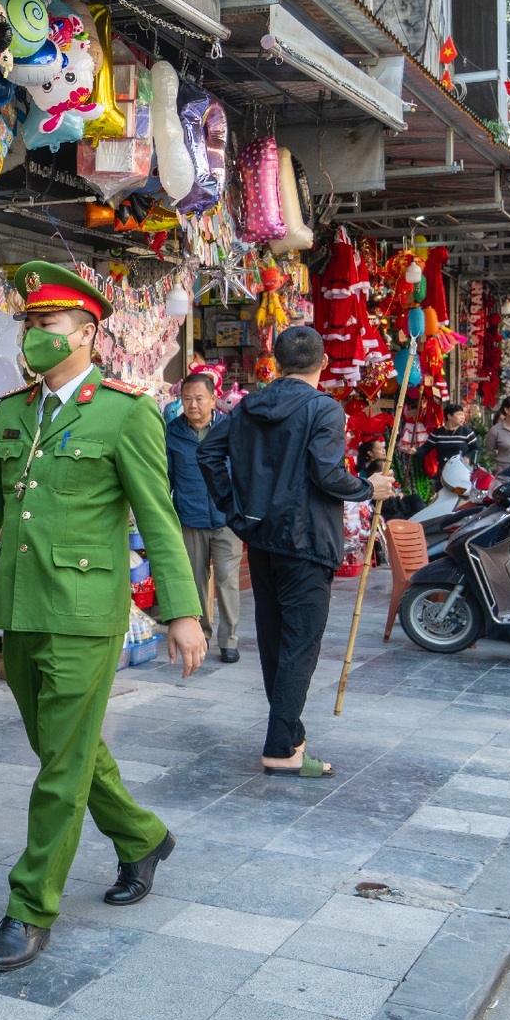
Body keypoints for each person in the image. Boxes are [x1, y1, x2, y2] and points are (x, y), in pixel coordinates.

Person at [0, 262, 206, 974]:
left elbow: (159, 520)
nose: (33, 337)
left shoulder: (124, 411)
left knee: (59, 768)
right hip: (21, 609)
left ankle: (29, 906)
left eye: (46, 325)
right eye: (29, 325)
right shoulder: (16, 411)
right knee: (65, 753)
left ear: (86, 334)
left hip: (84, 614)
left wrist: (183, 611)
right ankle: (141, 837)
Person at [198, 326, 393, 779]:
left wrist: (235, 510)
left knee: (276, 641)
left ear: (277, 362)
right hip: (306, 542)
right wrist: (369, 486)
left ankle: (291, 734)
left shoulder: (248, 406)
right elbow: (327, 474)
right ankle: (281, 747)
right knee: (300, 645)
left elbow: (208, 453)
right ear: (323, 363)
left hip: (262, 539)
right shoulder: (324, 408)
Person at [167, 372, 241, 664]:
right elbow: (167, 477)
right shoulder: (173, 431)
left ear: (214, 399)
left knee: (227, 580)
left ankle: (229, 641)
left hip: (226, 518)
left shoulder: (229, 428)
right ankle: (202, 634)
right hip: (190, 516)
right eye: (187, 399)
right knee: (195, 582)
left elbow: (244, 472)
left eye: (199, 398)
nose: (193, 405)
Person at [426, 404, 478, 470]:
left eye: (463, 414)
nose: (462, 417)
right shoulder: (437, 433)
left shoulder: (467, 432)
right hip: (444, 470)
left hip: (462, 471)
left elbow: (476, 448)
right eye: (459, 414)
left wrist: (467, 456)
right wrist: (415, 451)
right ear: (449, 416)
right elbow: (425, 448)